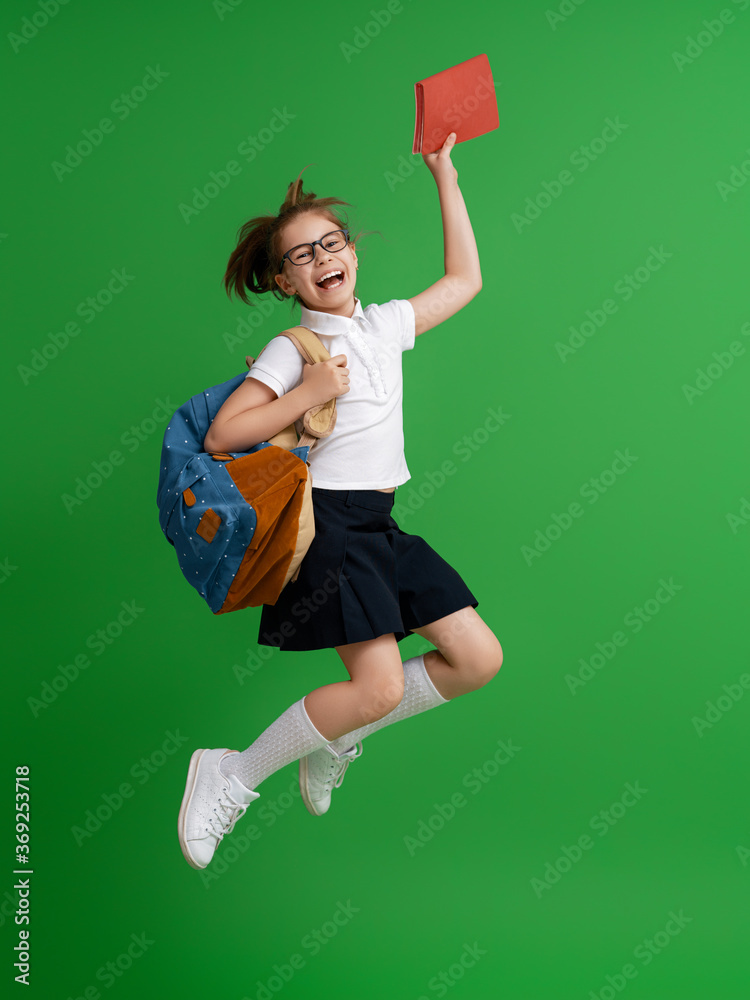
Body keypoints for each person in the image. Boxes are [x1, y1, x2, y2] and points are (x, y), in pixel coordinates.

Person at [178, 132, 503, 871]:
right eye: (303, 255)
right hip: (328, 527)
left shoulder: (384, 324)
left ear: (352, 251)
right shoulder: (295, 349)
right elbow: (227, 432)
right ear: (285, 281)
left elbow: (464, 280)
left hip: (378, 523)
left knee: (476, 658)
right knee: (380, 684)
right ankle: (228, 773)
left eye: (332, 244)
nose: (324, 260)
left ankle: (340, 736)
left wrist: (443, 172)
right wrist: (308, 392)